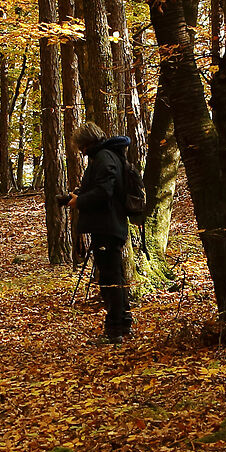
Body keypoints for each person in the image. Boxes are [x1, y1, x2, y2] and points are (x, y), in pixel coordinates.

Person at [68, 121, 134, 343]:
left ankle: (115, 330)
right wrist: (80, 194)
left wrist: (80, 201)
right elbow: (103, 188)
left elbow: (104, 192)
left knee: (110, 279)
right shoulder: (108, 156)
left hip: (107, 226)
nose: (81, 152)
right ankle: (122, 324)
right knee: (113, 275)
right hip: (108, 225)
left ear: (87, 144)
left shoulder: (104, 157)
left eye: (81, 147)